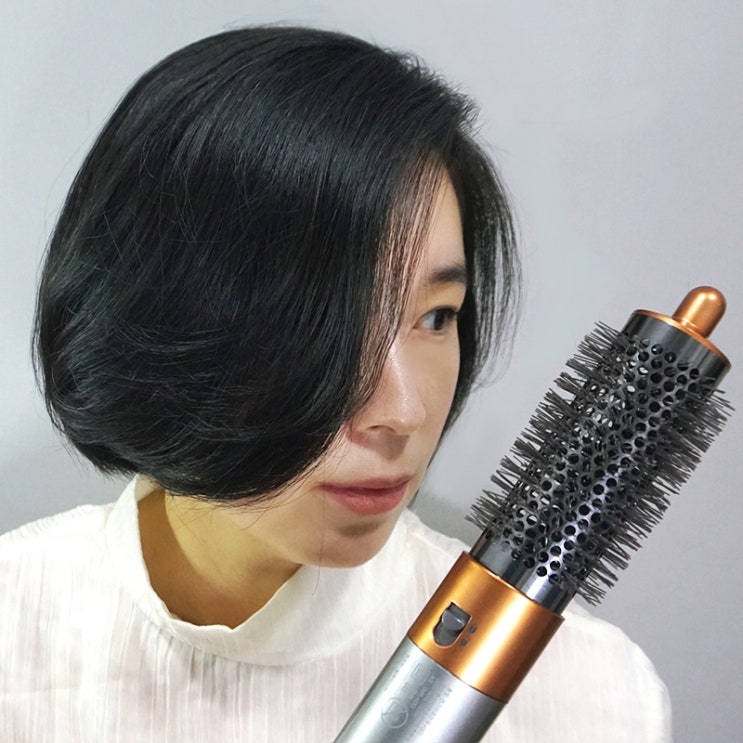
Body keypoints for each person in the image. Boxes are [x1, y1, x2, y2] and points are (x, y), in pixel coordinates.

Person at [0, 26, 670, 742]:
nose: (404, 412)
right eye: (330, 325)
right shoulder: (19, 635)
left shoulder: (589, 696)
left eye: (436, 316)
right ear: (158, 318)